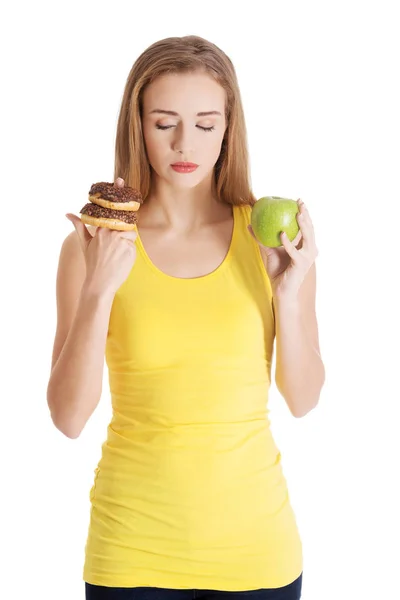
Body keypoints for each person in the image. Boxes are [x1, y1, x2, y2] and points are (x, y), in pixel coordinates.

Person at [47, 35, 325, 600]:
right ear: (137, 125)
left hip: (257, 553)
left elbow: (303, 400)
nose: (184, 143)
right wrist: (99, 290)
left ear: (229, 128)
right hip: (129, 552)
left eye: (205, 123)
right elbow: (68, 418)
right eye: (164, 121)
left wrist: (288, 295)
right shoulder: (93, 245)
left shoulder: (271, 239)